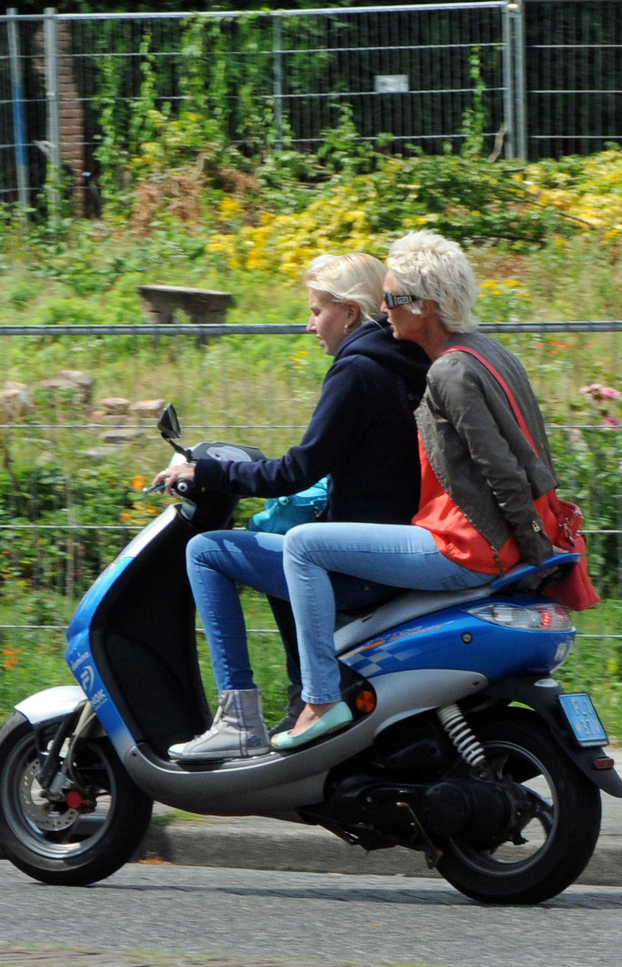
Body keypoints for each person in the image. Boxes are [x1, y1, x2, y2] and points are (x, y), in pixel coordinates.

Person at [274, 231, 558, 749]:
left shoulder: (449, 370)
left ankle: (318, 700)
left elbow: (504, 471)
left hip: (465, 546)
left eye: (390, 299)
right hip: (482, 540)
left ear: (424, 306)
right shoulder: (486, 351)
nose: (382, 311)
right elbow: (534, 451)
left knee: (301, 545)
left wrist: (536, 551)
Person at [152, 253, 430, 760]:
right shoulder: (407, 362)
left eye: (317, 311)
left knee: (208, 552)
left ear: (348, 313)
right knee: (278, 547)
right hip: (399, 547)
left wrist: (206, 470)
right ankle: (303, 695)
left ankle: (239, 716)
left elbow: (295, 471)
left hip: (365, 565)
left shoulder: (357, 372)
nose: (309, 325)